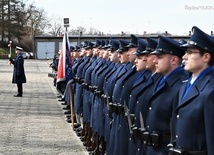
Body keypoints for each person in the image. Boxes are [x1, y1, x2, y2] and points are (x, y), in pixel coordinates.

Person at [169, 26, 214, 155]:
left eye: (189, 52)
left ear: (205, 57)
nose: (184, 57)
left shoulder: (210, 90)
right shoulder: (185, 86)